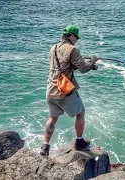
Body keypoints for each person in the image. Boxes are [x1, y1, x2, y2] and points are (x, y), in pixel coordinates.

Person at [40, 25, 99, 156]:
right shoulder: (72, 49)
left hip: (51, 89)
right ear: (71, 36)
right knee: (81, 112)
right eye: (76, 37)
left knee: (53, 118)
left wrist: (91, 66)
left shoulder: (53, 48)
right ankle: (79, 141)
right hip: (64, 90)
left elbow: (65, 65)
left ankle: (45, 146)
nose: (77, 40)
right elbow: (83, 68)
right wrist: (92, 61)